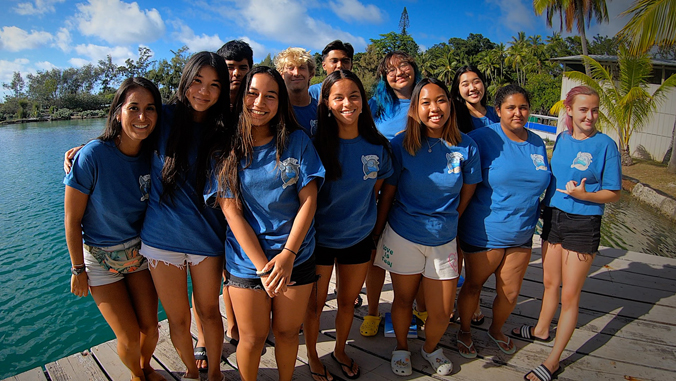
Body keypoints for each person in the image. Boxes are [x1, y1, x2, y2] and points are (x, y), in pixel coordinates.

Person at [207, 66, 325, 381]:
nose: (260, 102)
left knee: (287, 334)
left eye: (270, 95)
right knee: (252, 338)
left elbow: (309, 200)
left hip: (295, 255)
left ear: (280, 102)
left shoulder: (297, 142)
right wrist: (264, 266)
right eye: (253, 93)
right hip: (248, 262)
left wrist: (287, 256)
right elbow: (231, 211)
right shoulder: (225, 149)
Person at [372, 78, 481, 376]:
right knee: (404, 299)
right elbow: (388, 194)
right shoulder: (401, 144)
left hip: (444, 239)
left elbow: (467, 193)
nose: (435, 108)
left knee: (443, 311)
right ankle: (402, 347)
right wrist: (375, 234)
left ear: (450, 103)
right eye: (426, 102)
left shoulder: (467, 146)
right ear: (416, 108)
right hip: (403, 234)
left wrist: (448, 222)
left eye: (441, 100)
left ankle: (431, 347)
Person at [516, 86, 621, 381]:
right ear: (570, 110)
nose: (590, 115)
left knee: (570, 295)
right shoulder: (561, 139)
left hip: (583, 222)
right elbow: (552, 178)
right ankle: (540, 329)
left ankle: (553, 360)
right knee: (550, 283)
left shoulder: (605, 145)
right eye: (584, 109)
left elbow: (613, 193)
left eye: (595, 110)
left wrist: (586, 196)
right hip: (552, 217)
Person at [64, 77, 165, 381]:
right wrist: (77, 269)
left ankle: (146, 367)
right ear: (118, 111)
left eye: (150, 109)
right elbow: (72, 219)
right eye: (133, 108)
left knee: (151, 329)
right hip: (98, 259)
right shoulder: (92, 156)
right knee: (129, 337)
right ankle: (136, 374)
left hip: (139, 253)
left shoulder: (155, 155)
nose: (142, 117)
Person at [139, 52, 230, 381]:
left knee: (208, 311)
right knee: (177, 319)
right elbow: (128, 132)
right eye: (197, 82)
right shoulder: (162, 117)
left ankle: (216, 374)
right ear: (185, 81)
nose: (203, 92)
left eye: (214, 85)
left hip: (207, 237)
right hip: (161, 239)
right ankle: (192, 372)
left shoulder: (227, 127)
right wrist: (88, 147)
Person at [303, 70, 393, 381]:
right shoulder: (313, 146)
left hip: (359, 237)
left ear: (363, 101)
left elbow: (380, 189)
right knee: (313, 308)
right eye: (338, 97)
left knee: (345, 303)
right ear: (326, 103)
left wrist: (375, 230)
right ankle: (314, 355)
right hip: (318, 241)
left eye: (353, 96)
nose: (347, 103)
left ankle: (340, 349)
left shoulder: (377, 145)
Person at [456, 84, 551, 359]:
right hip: (484, 231)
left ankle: (496, 330)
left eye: (523, 107)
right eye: (510, 107)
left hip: (522, 233)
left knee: (510, 292)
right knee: (473, 285)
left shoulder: (537, 142)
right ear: (498, 111)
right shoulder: (480, 139)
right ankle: (464, 330)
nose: (517, 113)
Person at [192, 39, 254, 372]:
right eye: (229, 67)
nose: (235, 74)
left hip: (244, 201)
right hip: (209, 202)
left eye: (242, 67)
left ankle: (233, 324)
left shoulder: (253, 103)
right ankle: (203, 336)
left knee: (233, 270)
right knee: (208, 276)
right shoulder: (209, 103)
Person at [361, 50, 421, 337]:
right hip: (379, 187)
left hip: (415, 190)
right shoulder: (376, 105)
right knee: (375, 254)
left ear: (414, 68)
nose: (398, 73)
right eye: (390, 69)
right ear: (384, 77)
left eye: (404, 66)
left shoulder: (425, 101)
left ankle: (413, 308)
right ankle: (372, 311)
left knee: (411, 256)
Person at [274, 47, 319, 137]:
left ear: (311, 74)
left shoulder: (321, 111)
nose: (296, 73)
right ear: (281, 74)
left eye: (302, 68)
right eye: (290, 68)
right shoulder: (275, 110)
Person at [451, 65, 499, 132]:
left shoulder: (497, 113)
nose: (472, 88)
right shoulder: (454, 119)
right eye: (465, 84)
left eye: (476, 82)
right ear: (458, 90)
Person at [218, 40, 254, 108]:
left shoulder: (255, 106)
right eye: (230, 68)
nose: (236, 73)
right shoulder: (207, 103)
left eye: (243, 68)